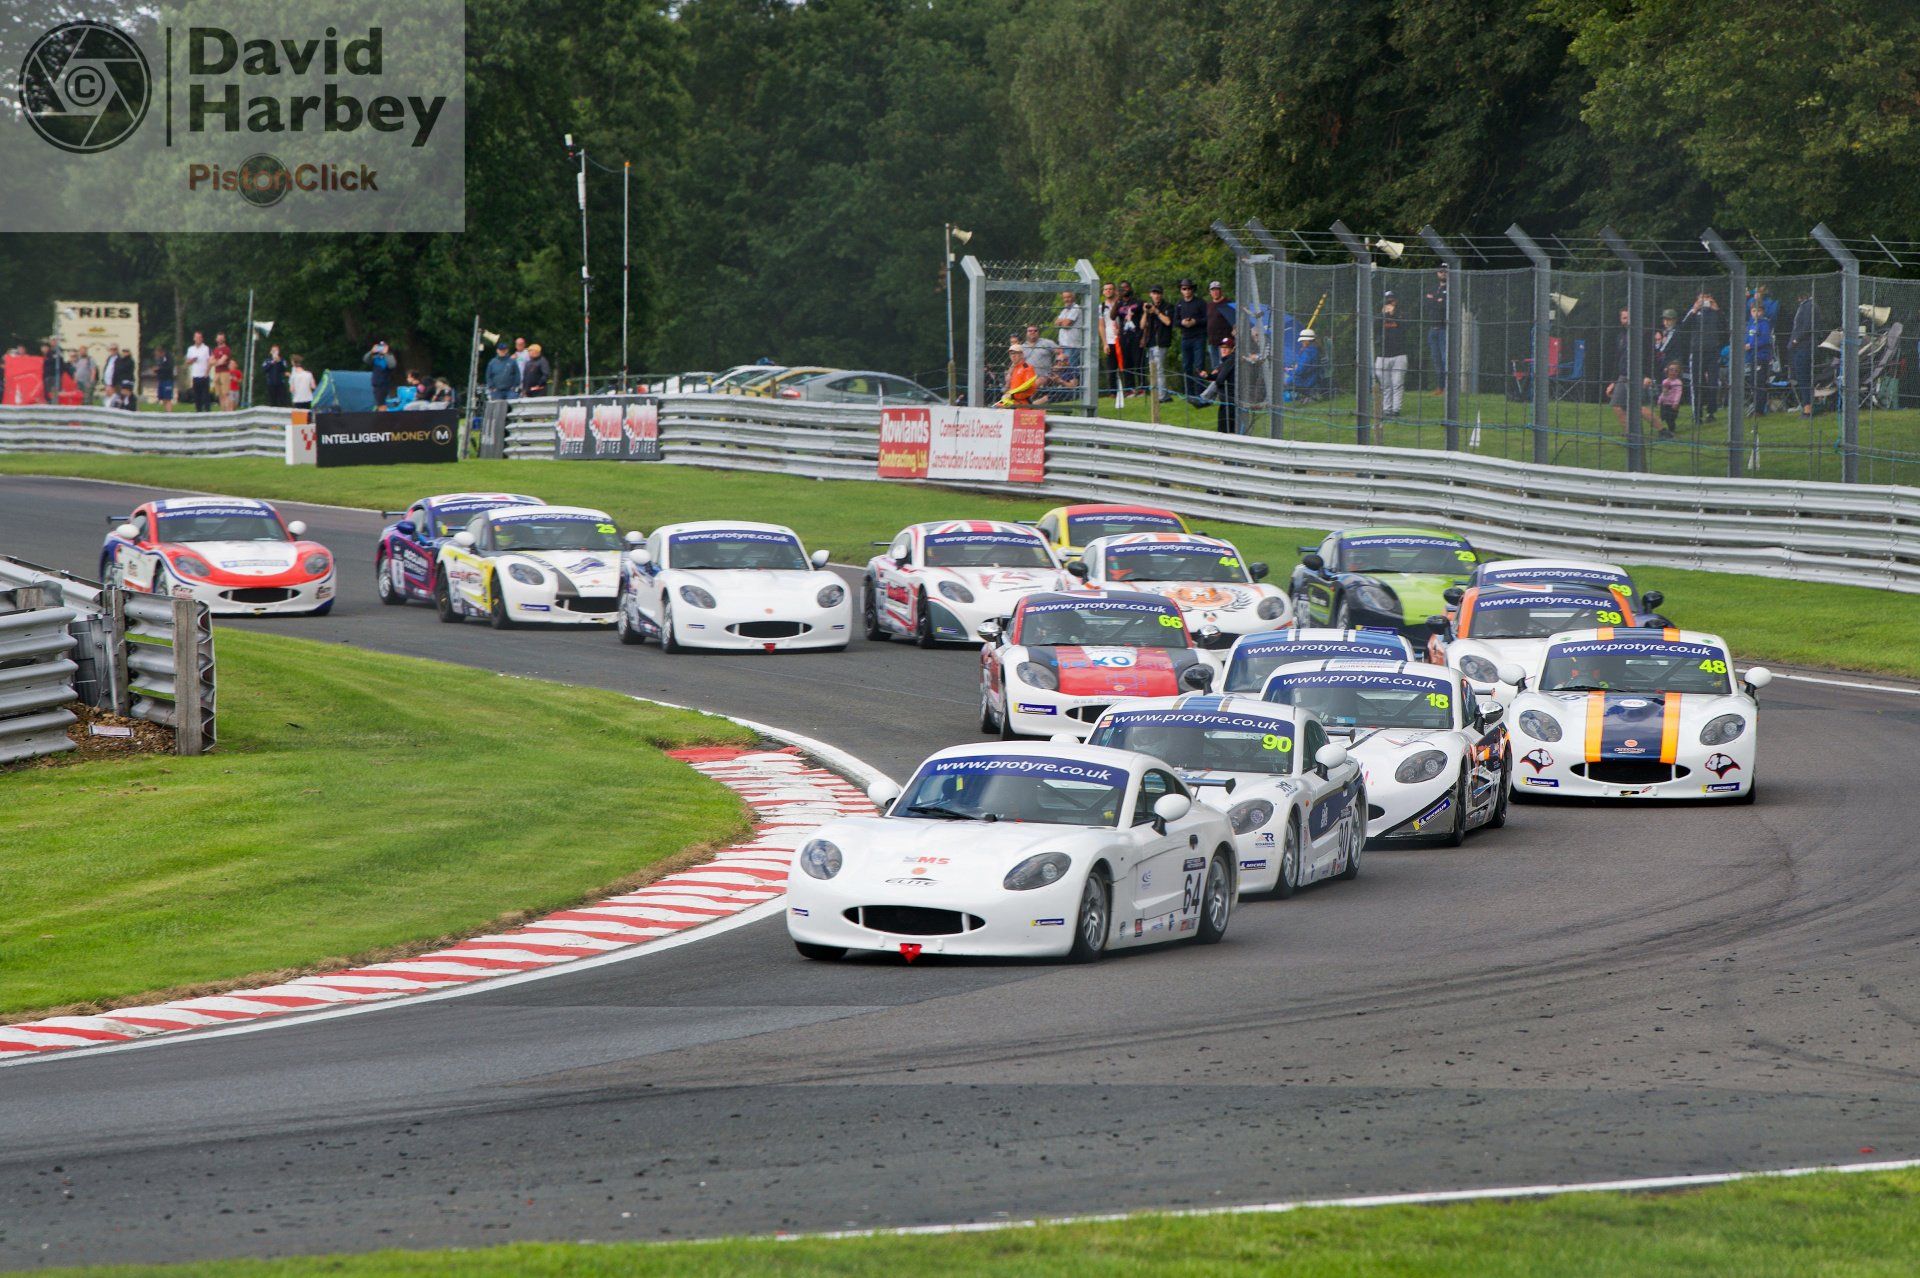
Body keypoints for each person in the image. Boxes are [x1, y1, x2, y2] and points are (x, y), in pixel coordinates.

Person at [1605, 307, 1657, 438]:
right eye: (1624, 318)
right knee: (1617, 405)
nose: (1627, 320)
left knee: (1637, 407)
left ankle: (1663, 431)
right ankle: (1630, 434)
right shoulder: (1621, 336)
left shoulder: (1644, 334)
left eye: (1629, 317)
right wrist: (1613, 382)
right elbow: (1617, 359)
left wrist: (1647, 375)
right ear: (1621, 320)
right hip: (1623, 375)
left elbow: (1650, 356)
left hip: (1638, 375)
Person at [1374, 293, 1408, 417]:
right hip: (1382, 355)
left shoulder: (1401, 314)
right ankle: (1386, 409)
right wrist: (1385, 315)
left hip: (1399, 354)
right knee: (1385, 385)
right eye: (1387, 302)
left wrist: (1393, 315)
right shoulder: (1379, 316)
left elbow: (1405, 326)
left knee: (1397, 383)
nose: (1390, 304)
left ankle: (1396, 409)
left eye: (1391, 301)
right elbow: (1373, 325)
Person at [1173, 278, 1208, 399]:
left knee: (1199, 365)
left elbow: (1207, 319)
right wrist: (1182, 322)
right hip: (1185, 337)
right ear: (1181, 290)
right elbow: (1175, 321)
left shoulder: (1200, 303)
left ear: (1193, 289)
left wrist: (1195, 322)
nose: (1187, 291)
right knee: (1186, 365)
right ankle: (1189, 393)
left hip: (1198, 337)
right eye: (1184, 289)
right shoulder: (1179, 304)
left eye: (1189, 288)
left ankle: (1201, 393)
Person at [1142, 285, 1174, 402]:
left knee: (1159, 369)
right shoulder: (1149, 308)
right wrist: (1145, 312)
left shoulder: (1168, 306)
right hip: (1150, 343)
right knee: (1152, 370)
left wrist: (1156, 312)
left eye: (1158, 293)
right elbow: (1141, 325)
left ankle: (1162, 396)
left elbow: (1168, 322)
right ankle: (1156, 394)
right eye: (1154, 293)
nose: (1156, 295)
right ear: (1150, 294)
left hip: (1161, 343)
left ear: (1162, 294)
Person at [1114, 282, 1145, 394]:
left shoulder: (1138, 302)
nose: (1124, 290)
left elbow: (1145, 320)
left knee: (1138, 362)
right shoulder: (1119, 303)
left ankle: (1142, 387)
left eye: (1126, 287)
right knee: (1127, 363)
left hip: (1137, 335)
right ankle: (1129, 389)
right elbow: (1112, 316)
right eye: (1122, 288)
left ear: (1130, 288)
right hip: (1124, 336)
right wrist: (1117, 301)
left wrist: (1143, 337)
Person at [1788, 293, 1816, 416]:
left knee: (1804, 376)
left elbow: (1807, 326)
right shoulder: (1803, 306)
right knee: (1799, 376)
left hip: (1804, 346)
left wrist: (1796, 339)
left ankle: (1807, 408)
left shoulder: (1810, 306)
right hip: (1798, 346)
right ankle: (1804, 403)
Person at [1745, 300, 1773, 417]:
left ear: (1763, 312)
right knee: (1752, 381)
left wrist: (1751, 345)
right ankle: (1755, 405)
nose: (1756, 313)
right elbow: (1747, 337)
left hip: (1761, 356)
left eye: (1759, 311)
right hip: (1752, 356)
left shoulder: (1764, 323)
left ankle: (1759, 410)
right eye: (1754, 311)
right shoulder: (1751, 324)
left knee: (1759, 381)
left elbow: (1765, 340)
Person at [1422, 265, 1449, 392]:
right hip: (1433, 328)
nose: (1443, 273)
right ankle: (1440, 387)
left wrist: (1437, 302)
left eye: (1445, 271)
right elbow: (1427, 304)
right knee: (1436, 359)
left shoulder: (1451, 288)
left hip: (1445, 329)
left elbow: (1443, 306)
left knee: (1445, 359)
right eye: (1441, 271)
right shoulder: (1433, 288)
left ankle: (1448, 386)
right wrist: (1437, 301)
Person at [1286, 328, 1326, 399]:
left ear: (1307, 341)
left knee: (1282, 380)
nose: (1302, 343)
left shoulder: (1308, 352)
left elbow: (1300, 371)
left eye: (1303, 341)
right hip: (1313, 378)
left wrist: (1290, 370)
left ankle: (1310, 394)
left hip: (1306, 380)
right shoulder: (1315, 350)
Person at [1209, 336, 1238, 434]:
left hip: (1229, 401)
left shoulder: (1230, 360)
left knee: (1225, 431)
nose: (1224, 350)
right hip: (1227, 400)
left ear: (1232, 349)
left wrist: (1215, 379)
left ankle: (1204, 399)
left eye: (1227, 348)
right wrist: (1207, 376)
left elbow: (1220, 380)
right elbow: (1218, 377)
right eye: (1222, 347)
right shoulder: (1226, 361)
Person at [1204, 280, 1233, 373]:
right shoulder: (1208, 305)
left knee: (1224, 368)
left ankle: (1226, 387)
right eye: (1213, 290)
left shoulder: (1228, 304)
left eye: (1217, 290)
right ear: (1210, 292)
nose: (1215, 292)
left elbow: (1234, 320)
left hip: (1224, 343)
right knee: (1215, 368)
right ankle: (1217, 386)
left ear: (1221, 291)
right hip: (1212, 341)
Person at [1053, 290, 1082, 380]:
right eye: (1065, 297)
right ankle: (1066, 391)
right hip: (1063, 344)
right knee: (1063, 369)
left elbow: (1066, 325)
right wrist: (1063, 321)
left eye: (1069, 297)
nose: (1066, 299)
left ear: (1073, 297)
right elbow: (1056, 323)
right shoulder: (1065, 310)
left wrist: (1062, 321)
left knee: (1072, 369)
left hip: (1072, 345)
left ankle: (1075, 391)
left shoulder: (1076, 308)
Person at [999, 340, 1037, 406]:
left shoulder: (1027, 368)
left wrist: (1013, 396)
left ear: (1022, 355)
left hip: (1022, 403)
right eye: (1011, 354)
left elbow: (1030, 388)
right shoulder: (1013, 368)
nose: (1013, 356)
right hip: (1011, 401)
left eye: (1015, 353)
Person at [184, 331, 212, 412]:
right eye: (196, 337)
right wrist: (192, 360)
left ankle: (207, 411)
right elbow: (187, 362)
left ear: (202, 339)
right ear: (194, 338)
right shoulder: (191, 349)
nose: (198, 339)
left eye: (199, 337)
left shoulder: (206, 348)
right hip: (195, 375)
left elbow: (210, 361)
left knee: (205, 395)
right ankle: (198, 410)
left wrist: (207, 372)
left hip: (204, 375)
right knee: (197, 395)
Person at [1657, 361, 1683, 439]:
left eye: (1676, 371)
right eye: (1671, 370)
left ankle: (1671, 430)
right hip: (1664, 403)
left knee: (1670, 418)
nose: (1673, 372)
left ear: (1678, 373)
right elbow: (1663, 392)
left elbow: (1678, 393)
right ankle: (1662, 429)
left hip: (1672, 404)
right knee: (1663, 416)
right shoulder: (1665, 381)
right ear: (1667, 371)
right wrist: (1660, 400)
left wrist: (1676, 403)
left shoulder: (1678, 382)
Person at [210, 333, 235, 410]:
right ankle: (223, 411)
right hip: (217, 373)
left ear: (224, 339)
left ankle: (229, 411)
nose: (220, 340)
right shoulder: (215, 350)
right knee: (220, 394)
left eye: (221, 338)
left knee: (226, 394)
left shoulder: (226, 349)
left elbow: (222, 361)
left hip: (224, 372)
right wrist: (217, 362)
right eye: (218, 338)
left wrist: (217, 362)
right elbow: (210, 361)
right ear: (216, 339)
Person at [153, 345, 175, 411]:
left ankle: (169, 413)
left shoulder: (169, 357)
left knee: (167, 398)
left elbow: (169, 368)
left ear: (161, 352)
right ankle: (166, 411)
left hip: (167, 380)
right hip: (161, 380)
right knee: (163, 398)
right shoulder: (160, 359)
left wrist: (159, 369)